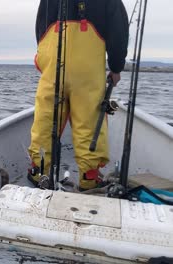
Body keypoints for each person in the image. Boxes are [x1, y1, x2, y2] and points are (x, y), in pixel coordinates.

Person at [28, 0, 129, 190]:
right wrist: (116, 67)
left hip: (52, 64)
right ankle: (89, 177)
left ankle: (38, 171)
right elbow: (118, 31)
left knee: (46, 119)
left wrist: (44, 57)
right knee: (89, 121)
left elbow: (40, 26)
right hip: (88, 69)